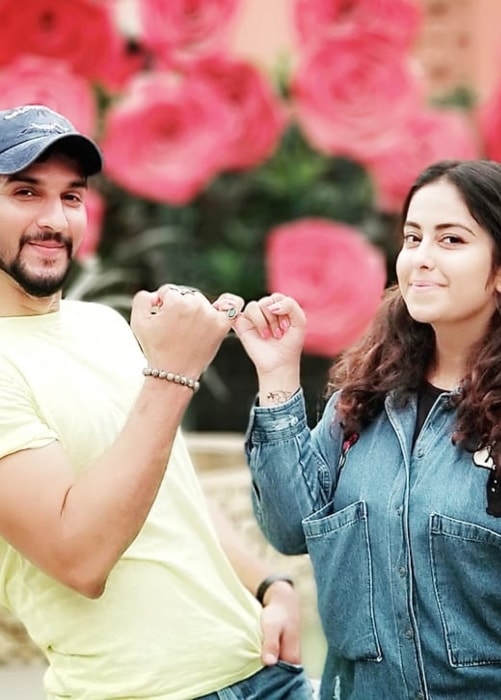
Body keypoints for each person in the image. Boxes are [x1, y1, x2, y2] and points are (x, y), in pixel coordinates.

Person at [0, 104, 315, 700]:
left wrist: (271, 585)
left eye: (71, 197)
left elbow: (168, 486)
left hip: (264, 669)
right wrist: (173, 371)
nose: (54, 219)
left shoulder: (101, 324)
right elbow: (80, 558)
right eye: (24, 192)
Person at [236, 159, 501, 699]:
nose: (421, 259)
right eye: (413, 237)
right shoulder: (363, 405)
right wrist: (277, 376)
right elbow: (289, 528)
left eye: (451, 239)